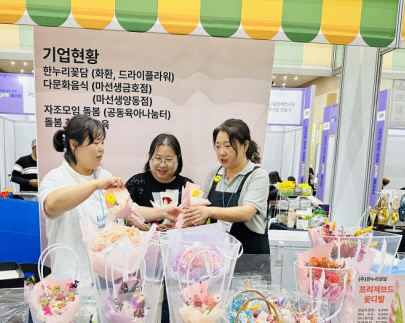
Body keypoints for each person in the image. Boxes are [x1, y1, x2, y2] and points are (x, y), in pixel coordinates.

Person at [39, 115, 178, 281]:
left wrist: (164, 211)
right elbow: (51, 206)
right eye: (95, 143)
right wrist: (95, 185)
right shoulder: (57, 177)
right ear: (74, 145)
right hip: (73, 277)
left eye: (103, 143)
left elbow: (129, 210)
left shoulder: (104, 175)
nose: (101, 149)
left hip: (109, 276)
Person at [183, 118, 270, 254]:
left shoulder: (258, 175)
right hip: (218, 254)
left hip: (250, 254)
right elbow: (203, 206)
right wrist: (187, 217)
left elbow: (246, 213)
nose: (221, 152)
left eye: (228, 146)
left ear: (245, 146)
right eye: (217, 146)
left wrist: (209, 212)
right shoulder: (215, 172)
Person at [126, 133, 193, 229]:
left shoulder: (188, 186)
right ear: (150, 157)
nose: (162, 165)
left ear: (178, 159)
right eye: (158, 158)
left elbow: (195, 220)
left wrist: (179, 227)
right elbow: (125, 216)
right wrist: (149, 228)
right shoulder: (136, 183)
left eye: (168, 159)